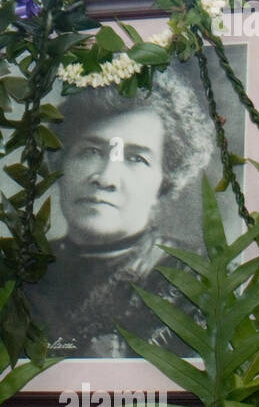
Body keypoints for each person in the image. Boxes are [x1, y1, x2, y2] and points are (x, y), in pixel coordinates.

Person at [28, 69, 216, 359]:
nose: (105, 179)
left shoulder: (196, 282)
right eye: (91, 151)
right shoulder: (19, 278)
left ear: (165, 180)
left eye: (136, 158)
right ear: (61, 161)